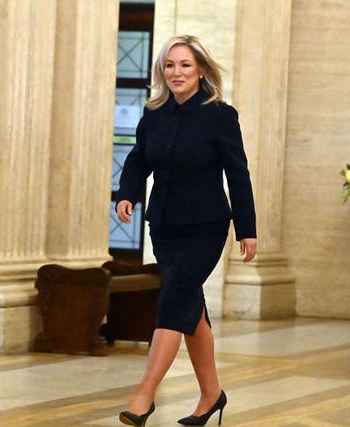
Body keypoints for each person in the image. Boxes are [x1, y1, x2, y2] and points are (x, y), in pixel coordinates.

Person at [116, 34, 257, 427]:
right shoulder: (154, 113)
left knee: (174, 300)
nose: (176, 72)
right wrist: (127, 193)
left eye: (185, 65)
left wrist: (247, 228)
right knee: (190, 306)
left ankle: (144, 396)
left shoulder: (220, 115)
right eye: (169, 65)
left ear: (201, 71)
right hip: (164, 226)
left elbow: (238, 174)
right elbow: (138, 158)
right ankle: (212, 396)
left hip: (206, 227)